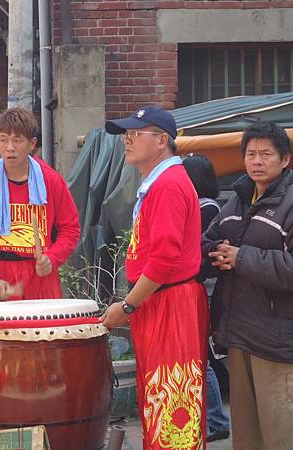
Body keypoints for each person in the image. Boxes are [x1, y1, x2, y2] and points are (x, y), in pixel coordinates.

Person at [201, 121, 293, 450]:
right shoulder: (237, 201)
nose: (256, 161)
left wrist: (242, 258)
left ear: (285, 159)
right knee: (248, 437)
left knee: (286, 435)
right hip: (239, 336)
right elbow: (210, 241)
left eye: (266, 154)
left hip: (278, 341)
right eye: (250, 154)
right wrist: (216, 256)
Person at [101, 105, 209, 449]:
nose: (127, 141)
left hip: (171, 303)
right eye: (126, 135)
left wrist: (128, 306)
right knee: (159, 396)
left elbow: (163, 262)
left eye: (136, 134)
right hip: (160, 300)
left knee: (173, 398)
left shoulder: (167, 185)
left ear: (162, 140)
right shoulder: (158, 182)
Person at [0, 107, 80, 302]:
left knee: (43, 332)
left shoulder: (52, 181)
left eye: (17, 140)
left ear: (32, 143)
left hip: (40, 277)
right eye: (3, 140)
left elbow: (71, 229)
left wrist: (52, 258)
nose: (9, 147)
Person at [182, 154, 231, 443]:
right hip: (204, 286)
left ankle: (216, 419)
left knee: (204, 358)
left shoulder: (207, 209)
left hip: (206, 288)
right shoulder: (205, 206)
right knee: (203, 358)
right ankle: (214, 418)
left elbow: (202, 253)